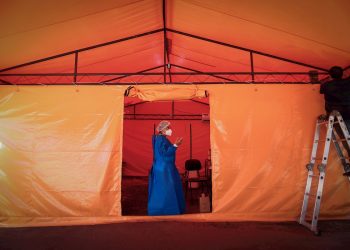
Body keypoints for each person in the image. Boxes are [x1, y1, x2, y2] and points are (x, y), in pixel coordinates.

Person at [147, 120, 186, 215]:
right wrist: (175, 145)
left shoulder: (161, 139)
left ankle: (165, 209)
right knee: (166, 189)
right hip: (164, 169)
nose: (170, 130)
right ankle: (165, 209)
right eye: (168, 128)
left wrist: (174, 145)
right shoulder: (160, 139)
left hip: (163, 167)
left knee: (164, 188)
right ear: (162, 130)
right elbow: (165, 153)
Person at [320, 66, 350, 174]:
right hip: (348, 113)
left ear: (330, 75)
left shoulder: (326, 85)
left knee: (345, 139)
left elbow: (322, 90)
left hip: (336, 116)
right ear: (343, 74)